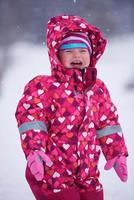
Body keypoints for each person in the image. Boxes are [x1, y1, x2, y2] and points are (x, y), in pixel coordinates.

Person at [15, 15, 128, 200]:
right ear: (57, 55)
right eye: (69, 51)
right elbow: (31, 118)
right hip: (54, 173)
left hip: (88, 173)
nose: (77, 55)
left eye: (83, 50)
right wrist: (34, 149)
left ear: (91, 55)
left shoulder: (97, 88)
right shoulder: (44, 86)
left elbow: (108, 123)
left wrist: (116, 153)